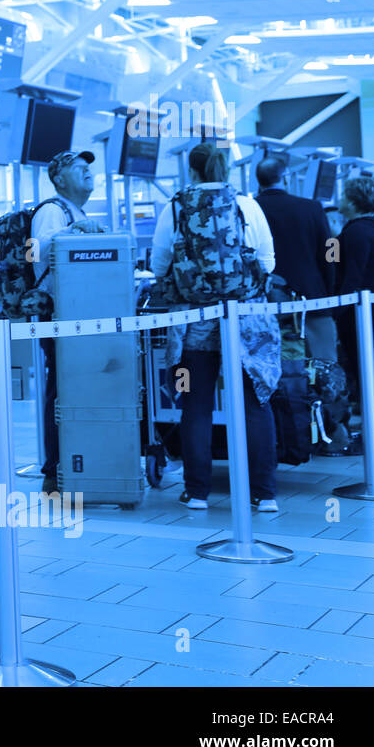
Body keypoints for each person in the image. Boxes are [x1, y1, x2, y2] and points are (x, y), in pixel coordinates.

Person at [151, 143, 280, 512]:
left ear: (191, 171)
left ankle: (197, 493)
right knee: (255, 401)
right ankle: (264, 494)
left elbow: (160, 264)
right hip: (246, 318)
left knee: (197, 405)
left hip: (194, 320)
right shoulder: (247, 205)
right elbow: (268, 263)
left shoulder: (175, 206)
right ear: (227, 169)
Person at [30, 150, 105, 493]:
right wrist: (73, 229)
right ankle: (54, 469)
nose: (88, 171)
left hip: (79, 313)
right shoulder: (52, 211)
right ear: (60, 178)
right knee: (61, 390)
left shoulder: (76, 212)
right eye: (79, 167)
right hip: (58, 314)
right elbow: (37, 250)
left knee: (75, 389)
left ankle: (78, 458)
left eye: (89, 167)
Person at [254, 157, 336, 360]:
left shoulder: (251, 209)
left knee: (273, 369)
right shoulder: (312, 208)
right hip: (313, 299)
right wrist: (330, 290)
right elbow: (328, 253)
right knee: (322, 368)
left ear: (258, 181)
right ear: (286, 178)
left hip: (266, 303)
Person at [332, 177, 374, 409]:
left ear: (353, 203)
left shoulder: (355, 233)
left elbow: (351, 275)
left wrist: (336, 311)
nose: (340, 200)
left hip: (361, 314)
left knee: (365, 364)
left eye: (343, 196)